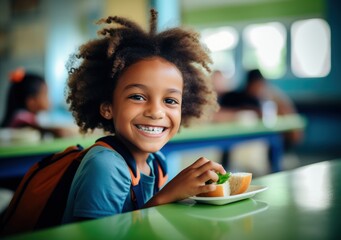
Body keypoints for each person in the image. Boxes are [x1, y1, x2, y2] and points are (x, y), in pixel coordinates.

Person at [62, 9, 226, 223]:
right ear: (107, 107)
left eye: (170, 101)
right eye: (138, 97)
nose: (156, 112)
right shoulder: (105, 166)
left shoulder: (157, 162)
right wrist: (166, 196)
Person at [1, 68, 72, 138]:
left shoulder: (30, 117)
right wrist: (56, 132)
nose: (49, 99)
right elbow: (34, 130)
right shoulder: (21, 118)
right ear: (31, 102)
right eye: (45, 94)